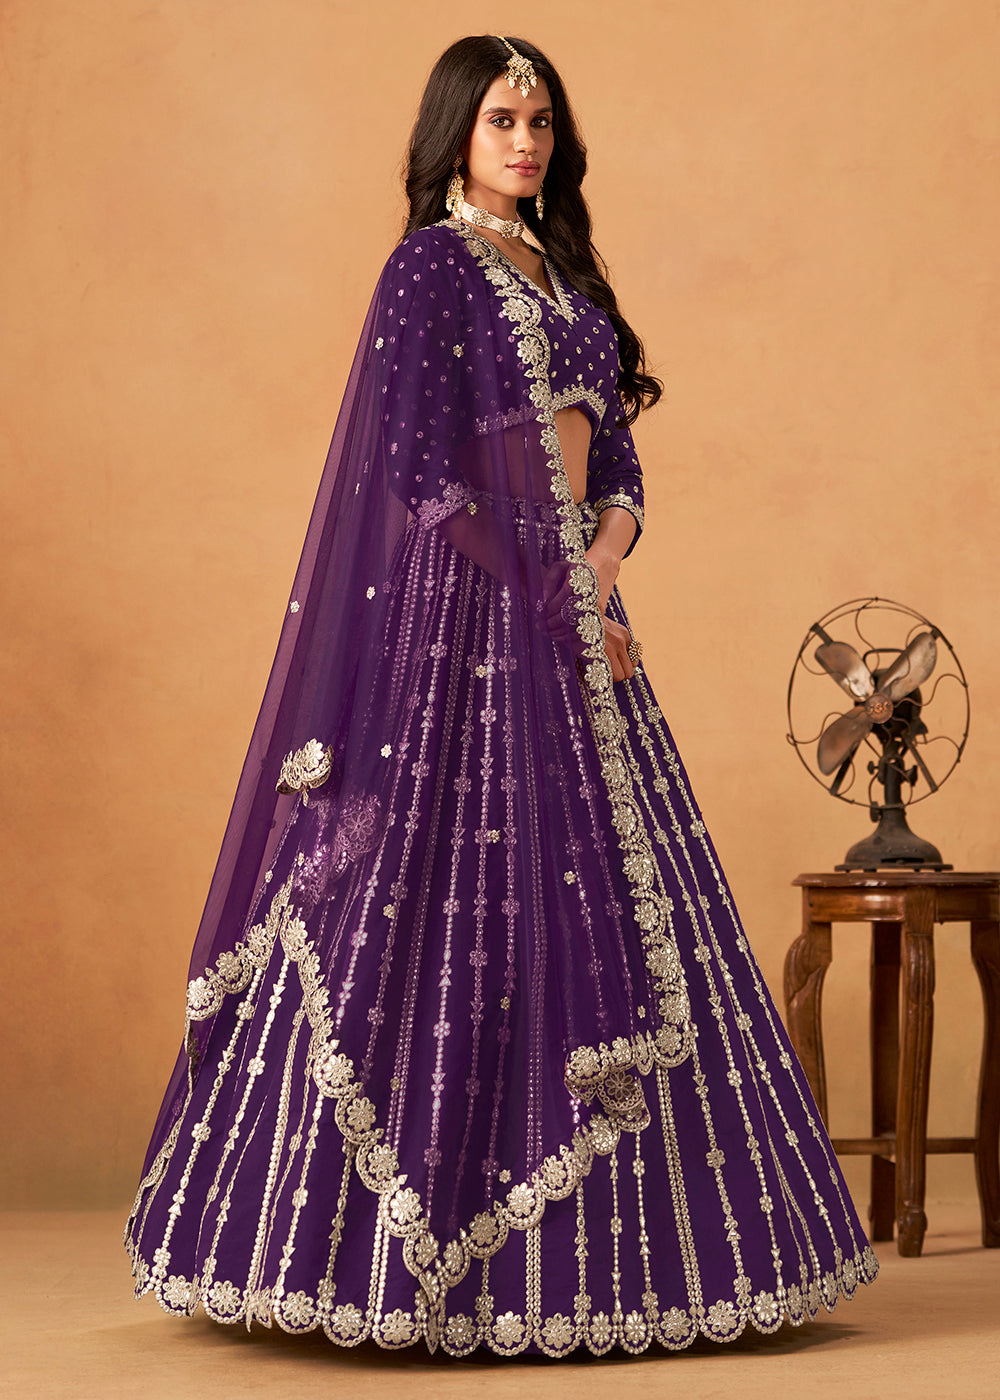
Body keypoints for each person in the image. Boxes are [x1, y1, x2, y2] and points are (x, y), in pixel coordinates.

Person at [125, 35, 877, 1357]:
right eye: (501, 121)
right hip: (470, 613)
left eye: (540, 120)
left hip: (574, 604)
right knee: (437, 886)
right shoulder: (428, 268)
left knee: (604, 889)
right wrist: (543, 587)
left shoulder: (565, 272)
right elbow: (421, 471)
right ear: (456, 136)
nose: (526, 141)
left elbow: (617, 458)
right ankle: (383, 1250)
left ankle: (629, 1267)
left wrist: (598, 566)